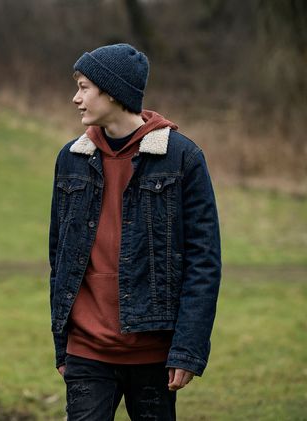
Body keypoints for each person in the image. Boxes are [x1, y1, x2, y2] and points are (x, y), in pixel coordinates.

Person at [48, 43, 221, 420]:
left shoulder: (182, 158)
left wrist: (187, 349)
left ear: (112, 92)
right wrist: (63, 343)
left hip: (154, 353)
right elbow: (58, 257)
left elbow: (203, 262)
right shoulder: (71, 159)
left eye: (84, 87)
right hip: (86, 352)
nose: (76, 98)